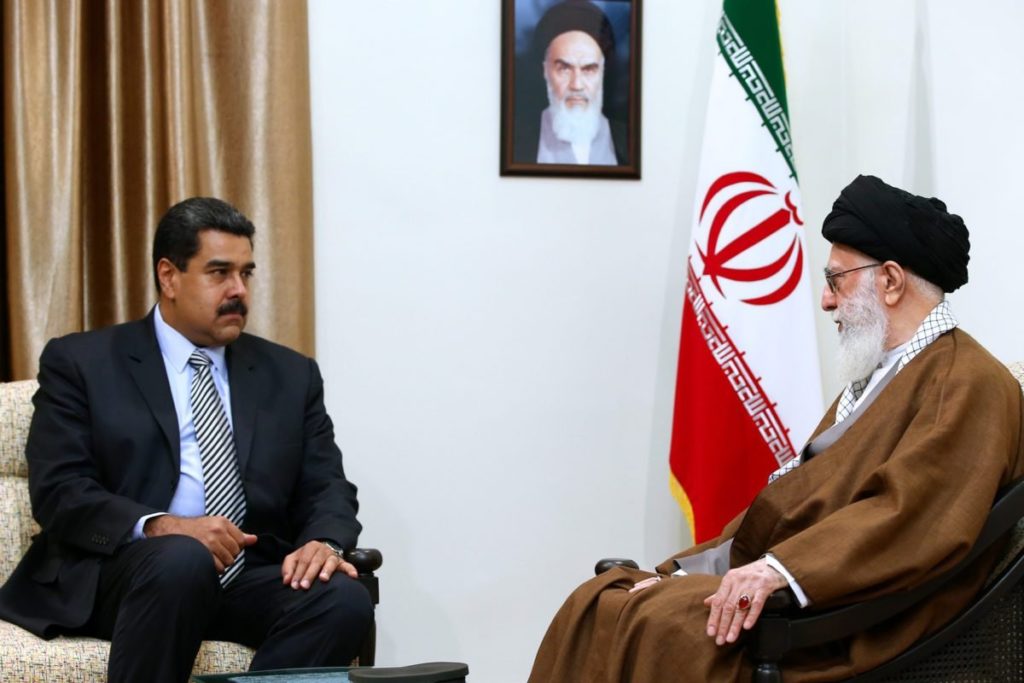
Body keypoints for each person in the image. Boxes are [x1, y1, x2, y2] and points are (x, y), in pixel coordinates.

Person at [528, 175, 1024, 682]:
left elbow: (910, 517)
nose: (826, 300)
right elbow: (798, 500)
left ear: (891, 281)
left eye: (836, 280)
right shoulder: (885, 373)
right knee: (604, 600)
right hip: (812, 591)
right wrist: (689, 569)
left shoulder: (969, 380)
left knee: (662, 626)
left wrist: (778, 571)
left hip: (861, 624)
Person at [0, 198, 373, 683]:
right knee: (182, 558)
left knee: (342, 598)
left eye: (246, 273)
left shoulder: (290, 374)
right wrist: (163, 526)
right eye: (219, 273)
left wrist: (325, 543)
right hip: (123, 573)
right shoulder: (82, 363)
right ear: (169, 277)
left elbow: (327, 486)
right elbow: (60, 490)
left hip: (244, 574)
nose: (239, 290)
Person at [521, 0, 626, 165]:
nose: (576, 85)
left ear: (602, 72)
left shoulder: (630, 141)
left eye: (588, 69)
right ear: (545, 71)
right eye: (564, 69)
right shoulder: (517, 142)